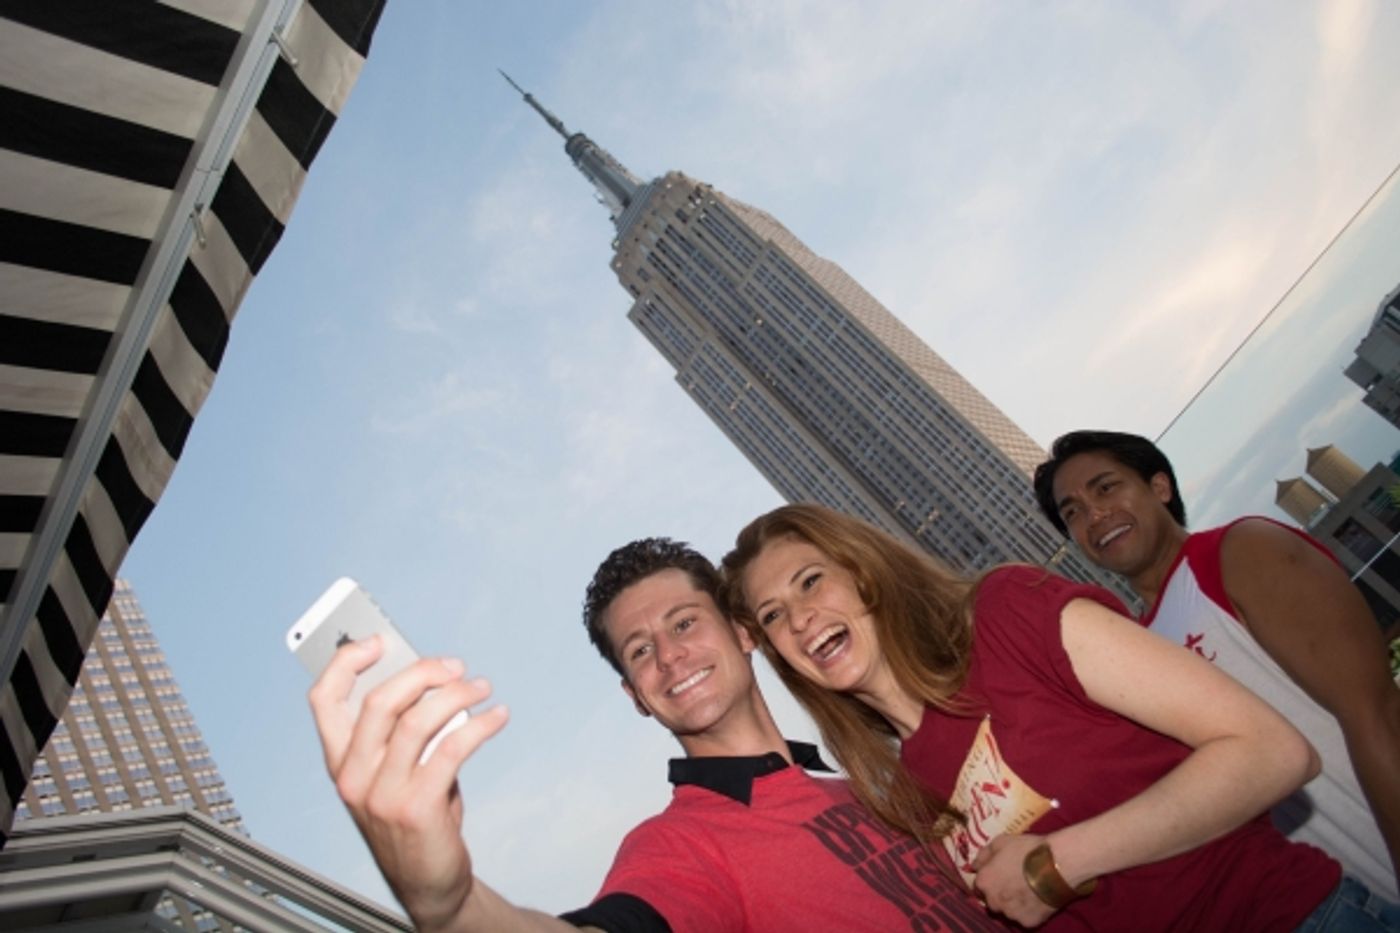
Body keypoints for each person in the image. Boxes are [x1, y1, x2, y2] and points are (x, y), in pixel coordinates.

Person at [720, 502, 1394, 931]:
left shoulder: (1009, 614)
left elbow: (1273, 750)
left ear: (867, 572)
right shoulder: (900, 796)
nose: (800, 618)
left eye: (811, 580)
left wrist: (1054, 863)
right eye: (774, 615)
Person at [308, 537, 996, 932]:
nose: (668, 657)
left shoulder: (870, 781)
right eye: (639, 650)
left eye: (684, 623)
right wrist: (450, 902)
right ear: (635, 696)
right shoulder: (680, 844)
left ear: (743, 631)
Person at [1033, 429, 1400, 901]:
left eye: (1106, 488)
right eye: (1073, 513)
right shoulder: (1133, 658)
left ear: (1160, 488)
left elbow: (1378, 715)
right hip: (1335, 905)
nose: (1094, 515)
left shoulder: (1239, 551)